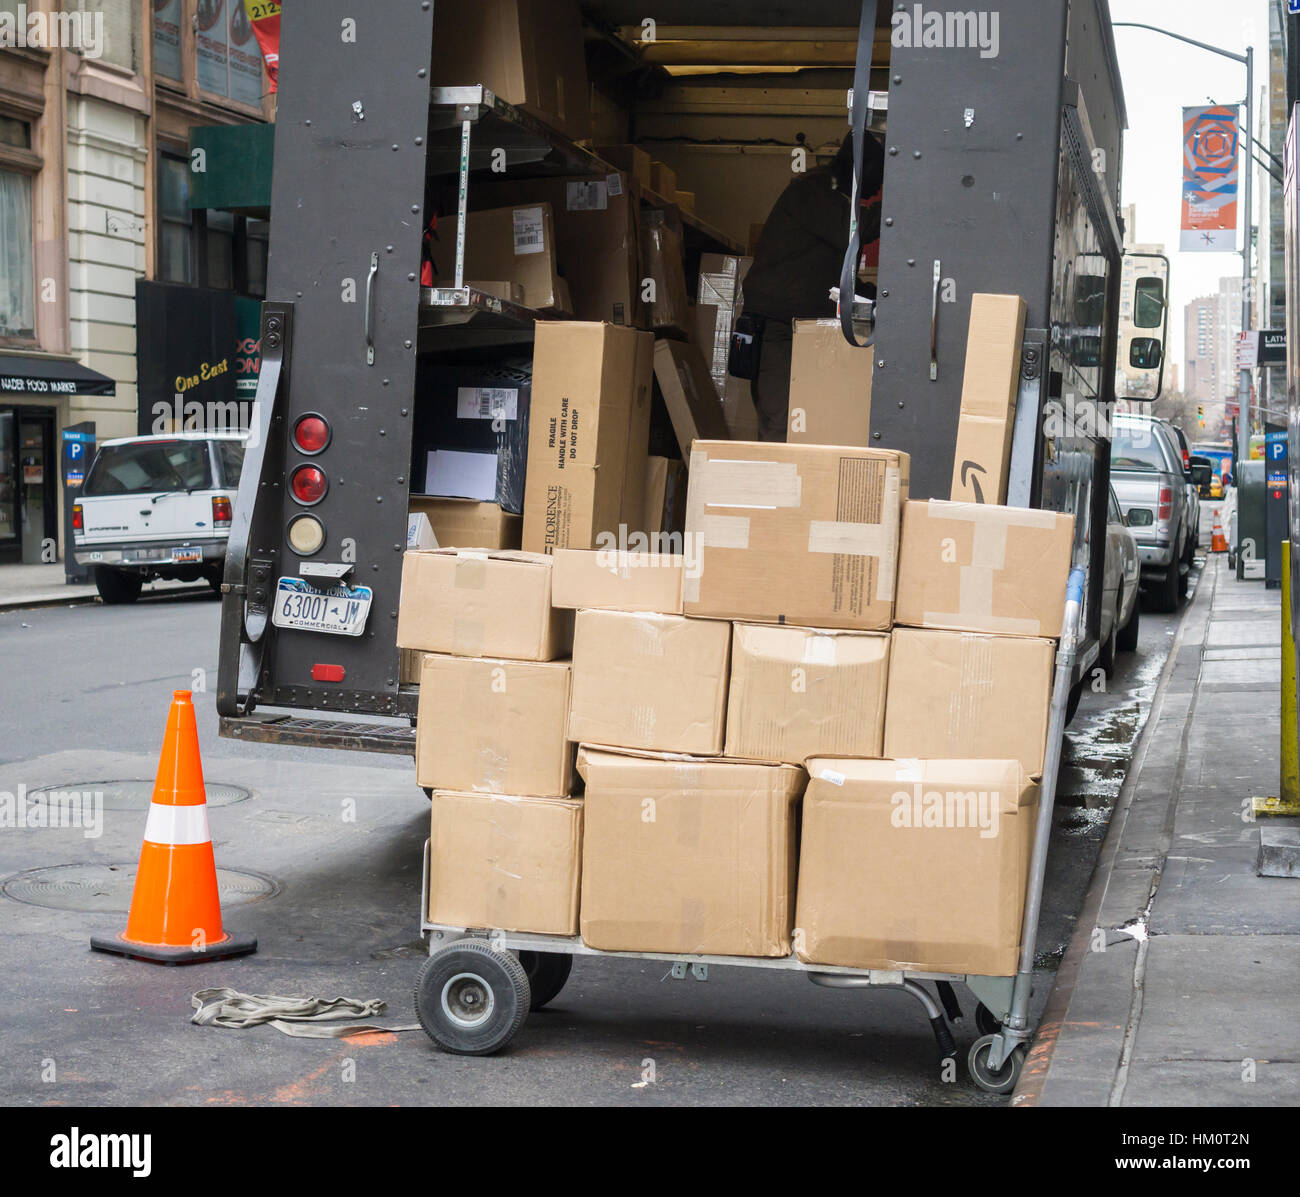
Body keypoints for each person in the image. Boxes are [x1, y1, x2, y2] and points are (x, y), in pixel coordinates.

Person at [739, 131, 885, 440]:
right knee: (782, 423)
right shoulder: (814, 190)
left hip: (800, 326)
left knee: (805, 421)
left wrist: (877, 295)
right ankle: (774, 483)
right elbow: (856, 230)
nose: (877, 186)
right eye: (880, 172)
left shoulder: (831, 196)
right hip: (779, 327)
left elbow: (831, 275)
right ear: (864, 166)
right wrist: (897, 209)